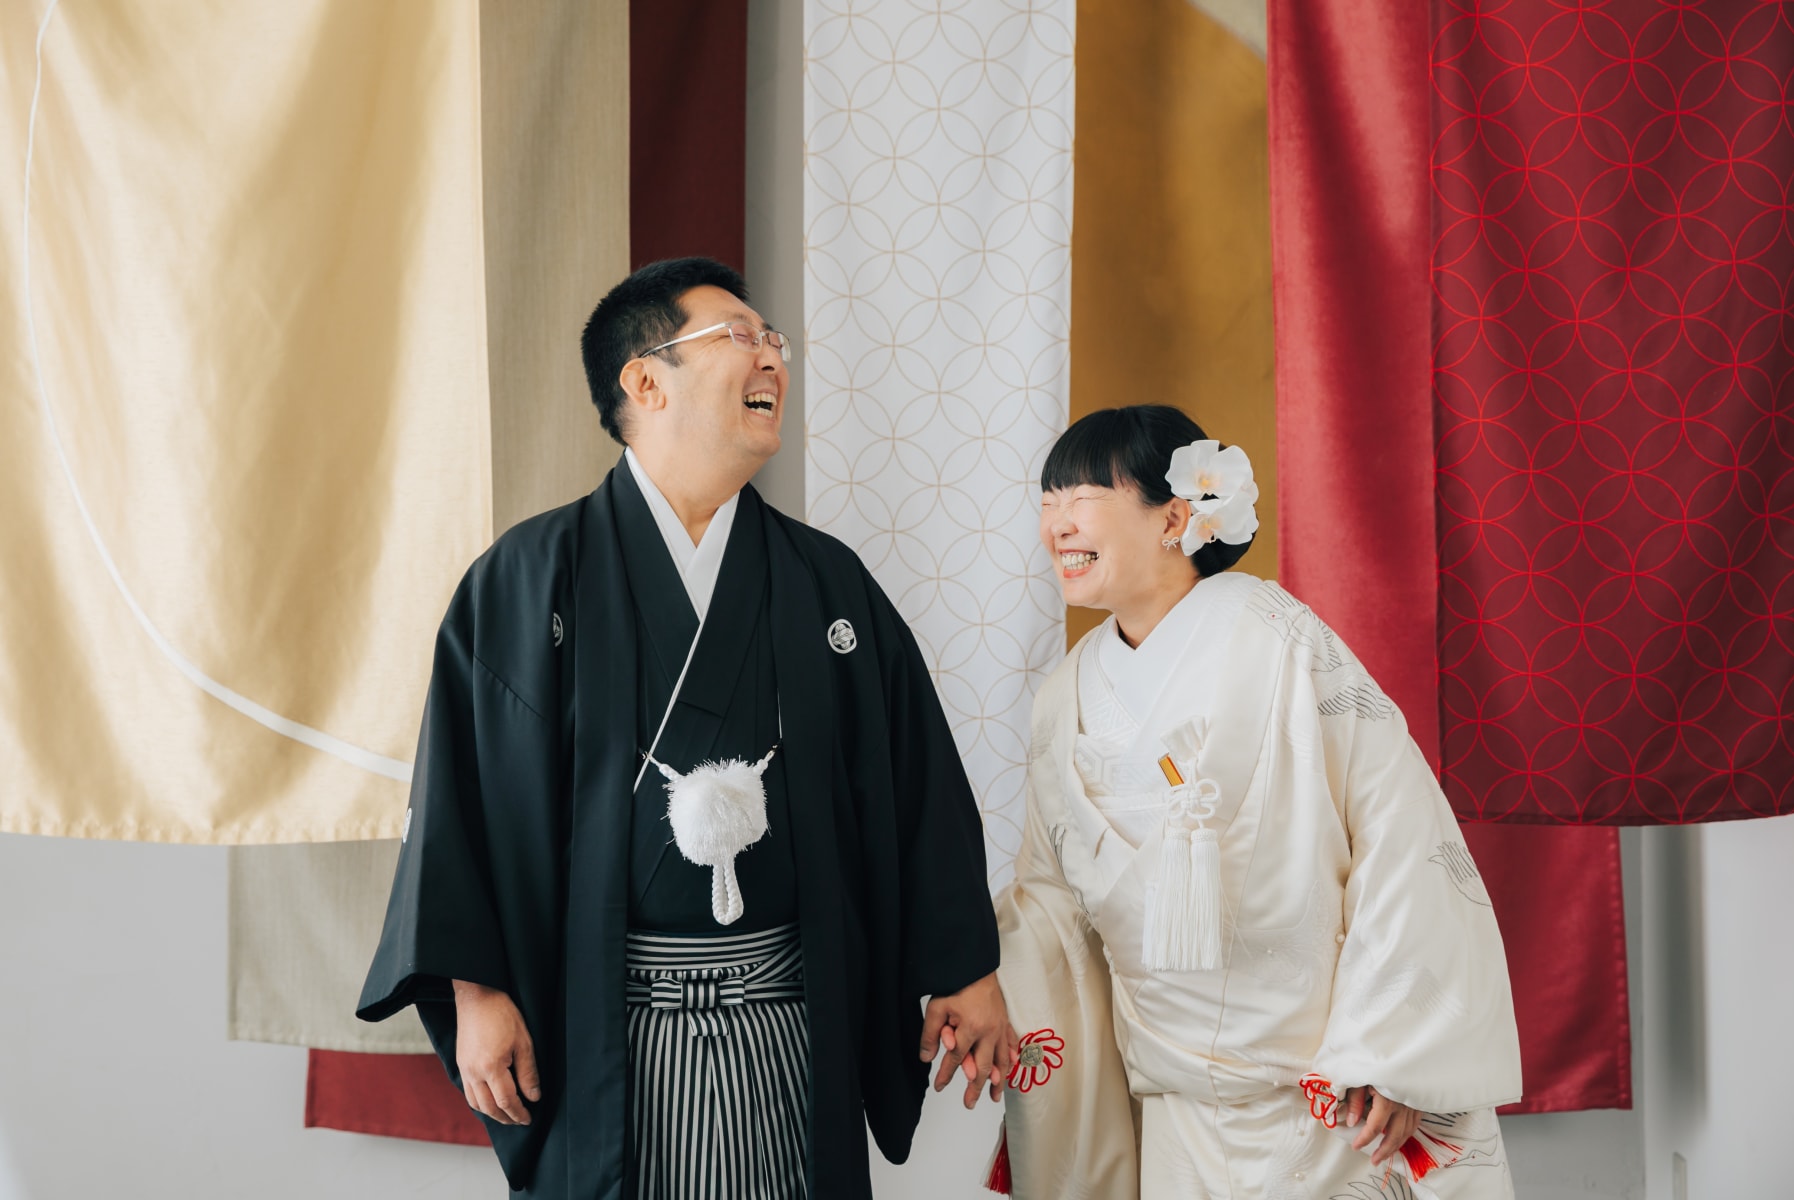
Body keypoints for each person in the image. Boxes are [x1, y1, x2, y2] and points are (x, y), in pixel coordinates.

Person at [358, 258, 1009, 1200]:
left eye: (774, 340)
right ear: (644, 381)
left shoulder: (825, 581)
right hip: (603, 1023)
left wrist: (964, 966)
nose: (772, 357)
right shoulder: (528, 577)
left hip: (789, 1015)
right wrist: (476, 988)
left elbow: (914, 781)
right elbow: (461, 798)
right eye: (740, 336)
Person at [990, 406, 1520, 1198]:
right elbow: (1049, 907)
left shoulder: (1280, 640)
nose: (1057, 524)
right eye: (1048, 502)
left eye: (1083, 497)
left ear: (1174, 518)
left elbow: (1400, 832)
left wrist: (1391, 1049)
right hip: (1176, 1113)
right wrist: (974, 982)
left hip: (1331, 1096)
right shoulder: (1062, 699)